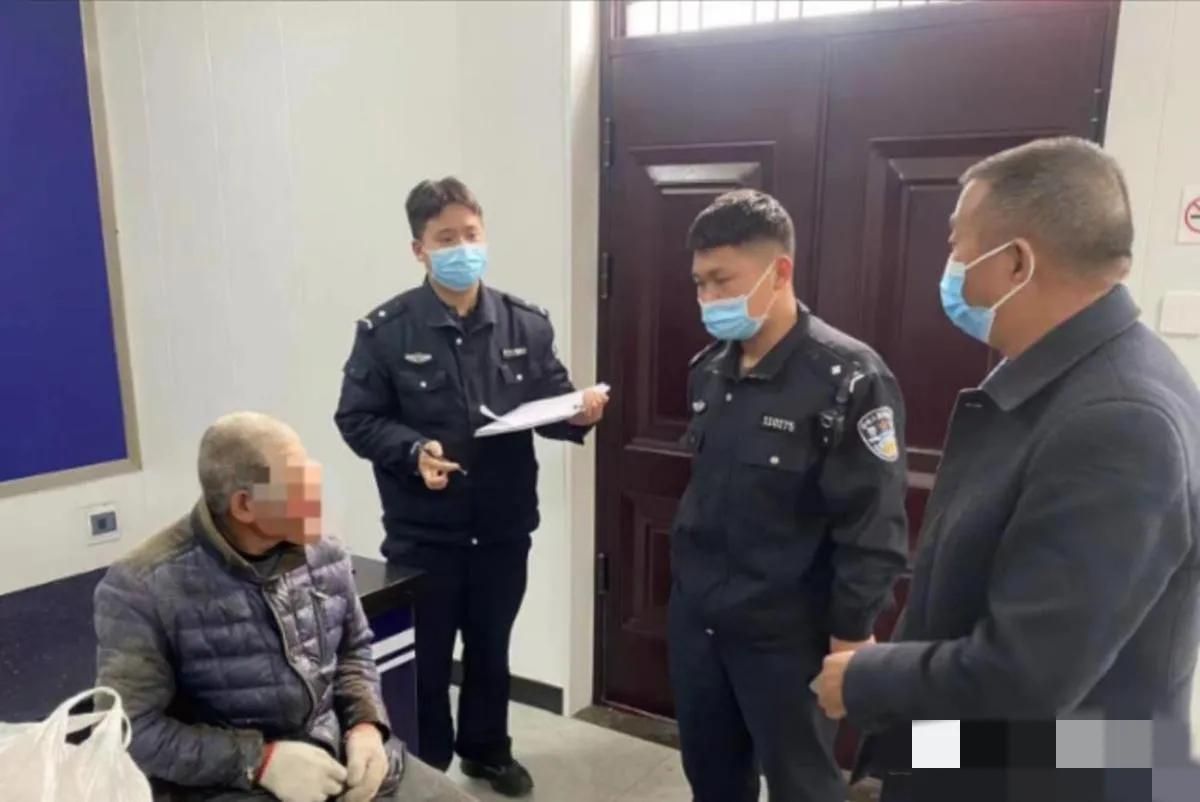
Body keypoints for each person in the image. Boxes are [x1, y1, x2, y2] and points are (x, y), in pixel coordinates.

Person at [812, 137, 1200, 800]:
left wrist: (865, 680)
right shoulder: (1061, 379)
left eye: (957, 244)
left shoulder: (1120, 420)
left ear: (1016, 261)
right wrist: (904, 762)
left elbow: (1027, 677)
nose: (950, 266)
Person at [335, 177, 606, 797]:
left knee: (491, 648)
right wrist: (413, 452)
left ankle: (487, 750)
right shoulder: (387, 330)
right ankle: (428, 770)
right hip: (424, 534)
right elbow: (357, 418)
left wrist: (579, 412)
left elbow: (551, 403)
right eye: (446, 238)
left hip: (503, 528)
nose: (462, 248)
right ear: (419, 250)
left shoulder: (524, 323)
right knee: (428, 661)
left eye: (471, 234)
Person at [93, 412, 475, 802]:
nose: (316, 495)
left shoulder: (325, 551)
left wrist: (366, 726)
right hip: (237, 786)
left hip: (341, 757)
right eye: (298, 485)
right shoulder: (142, 586)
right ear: (244, 506)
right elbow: (131, 729)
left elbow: (353, 650)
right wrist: (259, 761)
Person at [670, 189, 910, 802]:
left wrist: (852, 635)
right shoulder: (709, 370)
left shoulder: (848, 377)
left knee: (804, 786)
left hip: (788, 637)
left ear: (779, 272)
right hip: (700, 621)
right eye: (700, 283)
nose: (708, 298)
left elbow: (873, 524)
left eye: (722, 281)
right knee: (711, 778)